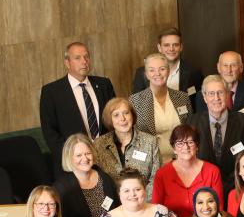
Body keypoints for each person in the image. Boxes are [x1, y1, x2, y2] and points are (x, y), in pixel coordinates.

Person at [40, 41, 116, 170]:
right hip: (73, 164)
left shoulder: (104, 84)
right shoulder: (51, 92)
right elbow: (50, 132)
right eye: (77, 58)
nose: (84, 61)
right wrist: (72, 160)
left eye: (86, 57)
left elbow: (114, 119)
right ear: (67, 62)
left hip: (108, 160)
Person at [188, 75, 244, 195]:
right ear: (204, 97)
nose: (216, 98)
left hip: (238, 190)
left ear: (227, 95)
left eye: (220, 93)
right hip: (202, 191)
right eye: (211, 93)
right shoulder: (191, 123)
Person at [129, 52, 193, 164]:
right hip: (150, 163)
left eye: (162, 69)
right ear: (146, 74)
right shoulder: (135, 101)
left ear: (168, 71)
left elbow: (190, 130)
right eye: (152, 70)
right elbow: (133, 139)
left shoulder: (182, 98)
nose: (157, 73)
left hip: (181, 161)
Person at [93, 97, 161, 199]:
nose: (122, 119)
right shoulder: (99, 144)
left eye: (126, 113)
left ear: (132, 115)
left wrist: (139, 202)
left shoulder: (150, 142)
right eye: (116, 115)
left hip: (143, 202)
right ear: (109, 119)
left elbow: (156, 178)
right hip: (112, 205)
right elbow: (96, 179)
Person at [152, 124, 223, 217]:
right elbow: (156, 210)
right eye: (180, 143)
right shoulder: (162, 174)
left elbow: (218, 209)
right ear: (174, 148)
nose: (186, 147)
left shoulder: (212, 171)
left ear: (197, 146)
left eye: (190, 142)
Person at [132, 27, 203, 107]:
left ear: (181, 47)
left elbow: (198, 103)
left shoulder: (194, 72)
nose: (171, 49)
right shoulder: (141, 73)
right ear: (159, 48)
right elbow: (137, 105)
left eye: (175, 45)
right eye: (166, 45)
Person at [195, 51, 244, 116]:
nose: (229, 70)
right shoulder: (203, 95)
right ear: (218, 68)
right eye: (225, 65)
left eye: (233, 65)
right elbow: (201, 123)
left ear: (241, 68)